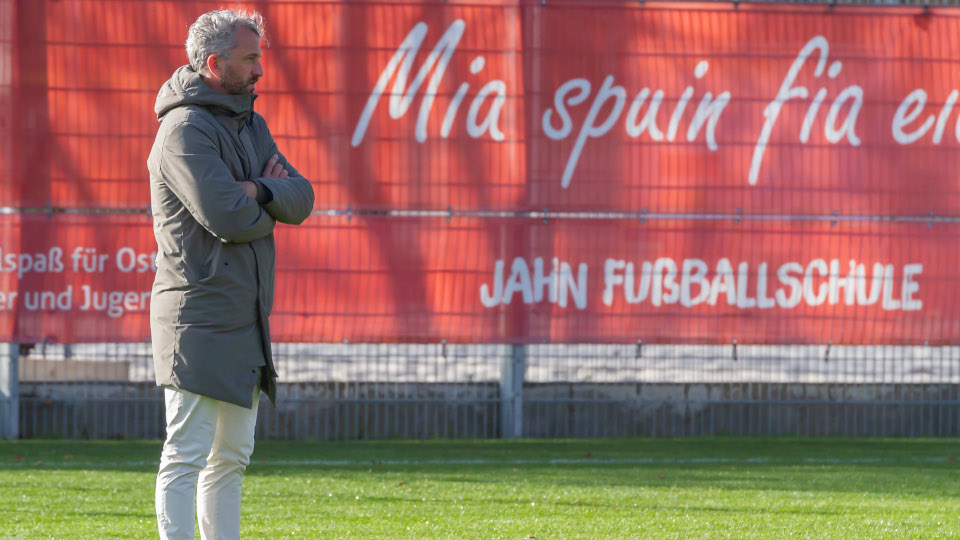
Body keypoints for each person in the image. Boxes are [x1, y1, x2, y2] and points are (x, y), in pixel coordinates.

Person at [146, 9, 314, 540]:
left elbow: (302, 197)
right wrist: (262, 199)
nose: (261, 69)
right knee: (187, 453)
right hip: (197, 318)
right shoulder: (183, 130)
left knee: (233, 456)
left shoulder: (251, 123)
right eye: (251, 58)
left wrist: (258, 189)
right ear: (216, 63)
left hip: (244, 318)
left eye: (259, 56)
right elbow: (229, 219)